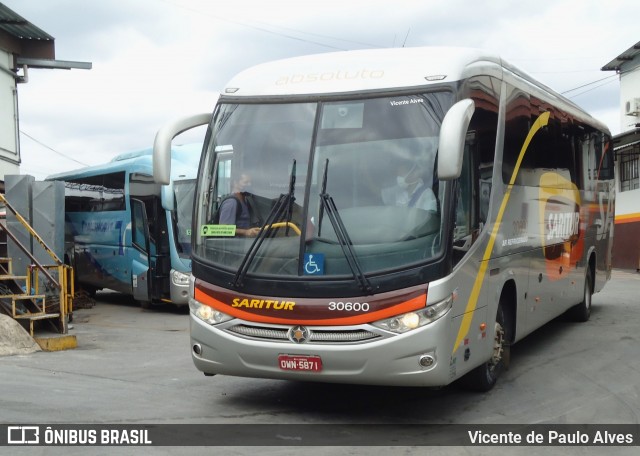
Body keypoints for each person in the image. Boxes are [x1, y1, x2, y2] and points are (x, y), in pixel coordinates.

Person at [218, 172, 261, 237]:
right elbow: (222, 229)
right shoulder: (231, 203)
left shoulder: (245, 200)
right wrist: (246, 232)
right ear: (235, 183)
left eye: (250, 182)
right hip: (232, 245)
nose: (249, 185)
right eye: (246, 182)